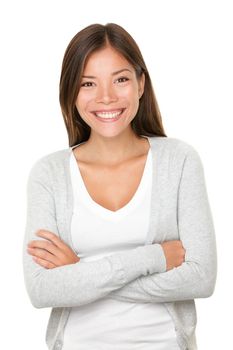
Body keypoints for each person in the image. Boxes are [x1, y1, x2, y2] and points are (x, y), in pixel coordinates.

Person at [23, 23, 217, 350]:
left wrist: (80, 273)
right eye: (88, 83)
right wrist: (156, 256)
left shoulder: (179, 161)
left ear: (141, 84)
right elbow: (42, 289)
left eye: (121, 79)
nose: (106, 97)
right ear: (71, 92)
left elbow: (201, 277)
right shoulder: (50, 174)